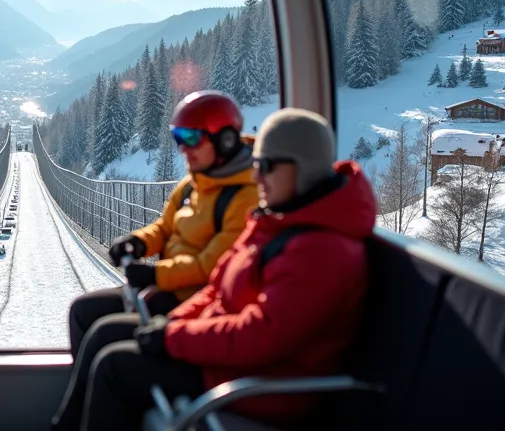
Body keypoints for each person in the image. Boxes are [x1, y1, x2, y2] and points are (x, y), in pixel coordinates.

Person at [78, 108, 378, 429]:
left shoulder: (323, 250)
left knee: (115, 367)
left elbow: (262, 335)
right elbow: (217, 287)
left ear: (302, 169)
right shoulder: (274, 220)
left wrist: (172, 337)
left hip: (261, 385)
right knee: (111, 339)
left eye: (266, 166)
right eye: (256, 164)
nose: (257, 175)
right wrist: (173, 324)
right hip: (227, 360)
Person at [52, 91, 258, 431]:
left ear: (224, 140)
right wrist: (138, 241)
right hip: (163, 289)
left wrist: (154, 276)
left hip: (190, 302)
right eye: (178, 138)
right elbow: (164, 227)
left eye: (190, 138)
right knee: (82, 312)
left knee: (105, 337)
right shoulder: (194, 182)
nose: (183, 149)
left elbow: (212, 265)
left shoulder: (245, 196)